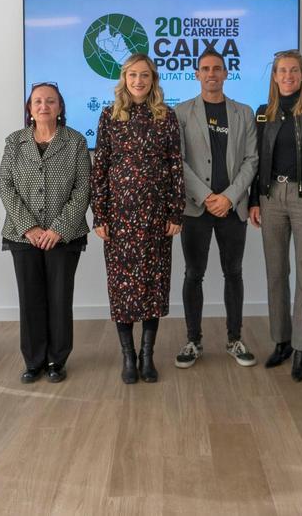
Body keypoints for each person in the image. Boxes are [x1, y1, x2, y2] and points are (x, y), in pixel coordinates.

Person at [91, 53, 185, 384]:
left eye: (145, 75)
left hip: (156, 218)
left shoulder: (166, 116)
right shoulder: (109, 116)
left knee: (152, 287)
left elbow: (176, 166)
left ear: (153, 79)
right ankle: (127, 357)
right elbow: (99, 168)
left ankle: (148, 357)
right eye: (133, 75)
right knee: (122, 290)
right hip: (119, 218)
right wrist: (99, 214)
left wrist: (176, 212)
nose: (139, 81)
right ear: (124, 79)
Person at [0, 83, 91, 384]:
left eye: (50, 101)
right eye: (37, 101)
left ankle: (57, 360)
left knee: (59, 298)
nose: (43, 106)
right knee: (30, 299)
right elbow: (6, 187)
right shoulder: (15, 142)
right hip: (22, 236)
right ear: (29, 108)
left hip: (65, 237)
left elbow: (82, 189)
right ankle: (34, 360)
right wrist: (31, 228)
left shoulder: (75, 142)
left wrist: (57, 229)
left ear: (60, 107)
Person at [249, 49, 302, 381]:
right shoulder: (263, 113)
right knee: (276, 272)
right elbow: (255, 159)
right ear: (274, 75)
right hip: (270, 198)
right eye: (282, 71)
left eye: (294, 71)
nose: (288, 76)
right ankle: (282, 340)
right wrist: (255, 199)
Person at [173, 49, 258, 369]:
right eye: (205, 69)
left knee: (233, 272)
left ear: (226, 74)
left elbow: (252, 160)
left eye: (217, 69)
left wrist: (229, 197)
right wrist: (208, 196)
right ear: (196, 74)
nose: (211, 74)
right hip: (196, 209)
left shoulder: (243, 112)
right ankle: (193, 340)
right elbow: (177, 161)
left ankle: (235, 338)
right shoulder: (181, 113)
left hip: (232, 209)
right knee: (193, 274)